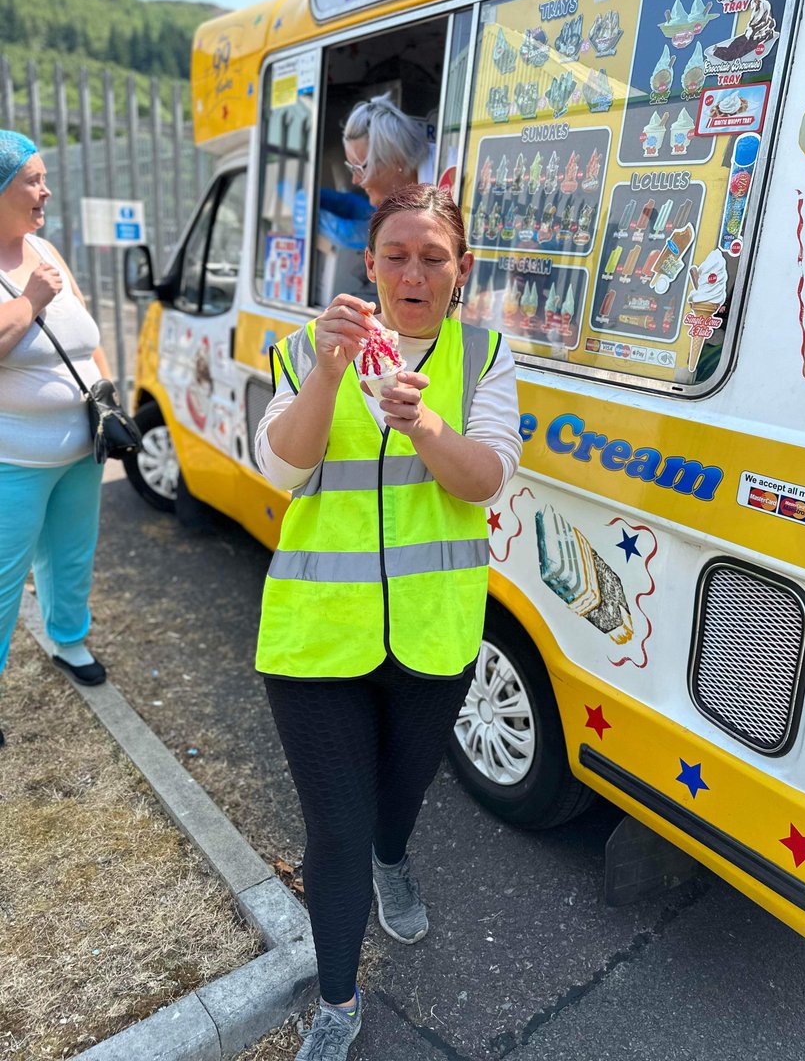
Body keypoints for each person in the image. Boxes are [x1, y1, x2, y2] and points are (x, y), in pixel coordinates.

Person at [254, 184, 522, 1060]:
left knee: (398, 800)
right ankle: (337, 1001)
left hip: (433, 631)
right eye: (395, 255)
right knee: (335, 826)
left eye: (433, 257)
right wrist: (331, 374)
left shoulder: (484, 355)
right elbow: (282, 467)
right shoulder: (305, 348)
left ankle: (394, 859)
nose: (413, 272)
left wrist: (426, 425)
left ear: (461, 270)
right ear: (367, 265)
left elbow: (485, 478)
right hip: (315, 635)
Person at [0, 131, 111, 743]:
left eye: (44, 178)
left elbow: (86, 331)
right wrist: (33, 300)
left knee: (71, 557)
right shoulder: (28, 275)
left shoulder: (43, 248)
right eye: (32, 180)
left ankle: (68, 641)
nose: (45, 190)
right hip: (12, 459)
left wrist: (108, 396)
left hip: (80, 451)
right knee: (2, 578)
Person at [341, 92, 430, 208]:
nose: (355, 180)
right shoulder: (402, 203)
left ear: (396, 160)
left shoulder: (451, 184)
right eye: (352, 168)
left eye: (359, 169)